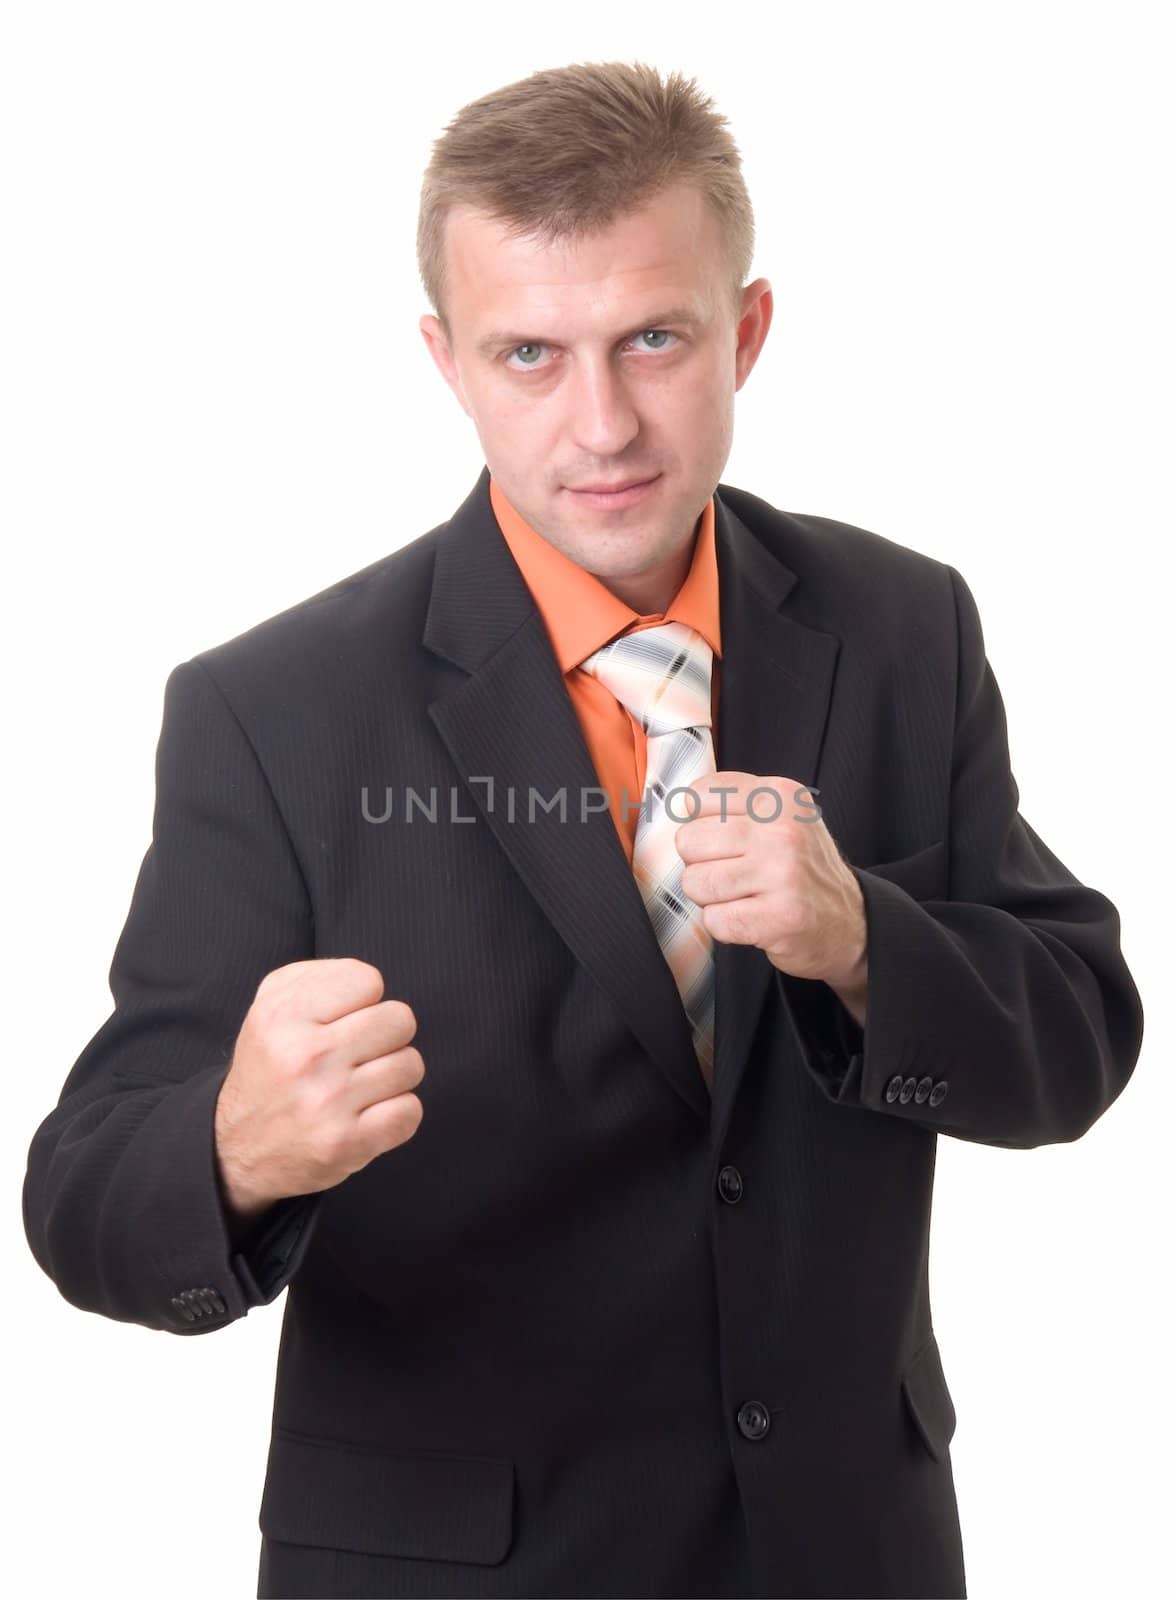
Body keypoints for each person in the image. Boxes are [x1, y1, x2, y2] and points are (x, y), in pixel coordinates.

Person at [22, 59, 1144, 1600]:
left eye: (655, 340)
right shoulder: (272, 711)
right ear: (449, 364)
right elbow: (82, 1199)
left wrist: (866, 943)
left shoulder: (902, 628)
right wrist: (233, 1151)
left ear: (746, 331)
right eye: (532, 354)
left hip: (844, 1556)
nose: (602, 423)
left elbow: (1075, 1043)